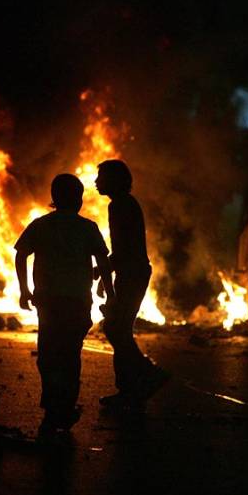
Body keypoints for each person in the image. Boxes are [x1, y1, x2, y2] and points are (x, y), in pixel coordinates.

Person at [15, 174, 115, 438]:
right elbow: (104, 262)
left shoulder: (41, 225)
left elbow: (21, 254)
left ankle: (52, 408)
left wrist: (24, 290)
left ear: (54, 198)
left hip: (48, 302)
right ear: (79, 199)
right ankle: (65, 408)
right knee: (70, 356)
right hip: (76, 303)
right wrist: (111, 293)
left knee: (48, 356)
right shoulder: (88, 228)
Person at [95, 160, 171, 411]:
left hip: (133, 273)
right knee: (118, 329)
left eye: (101, 177)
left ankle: (147, 373)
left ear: (114, 180)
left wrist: (104, 270)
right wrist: (104, 272)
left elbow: (122, 249)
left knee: (116, 329)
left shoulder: (120, 206)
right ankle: (129, 391)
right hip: (132, 272)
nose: (96, 182)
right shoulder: (123, 204)